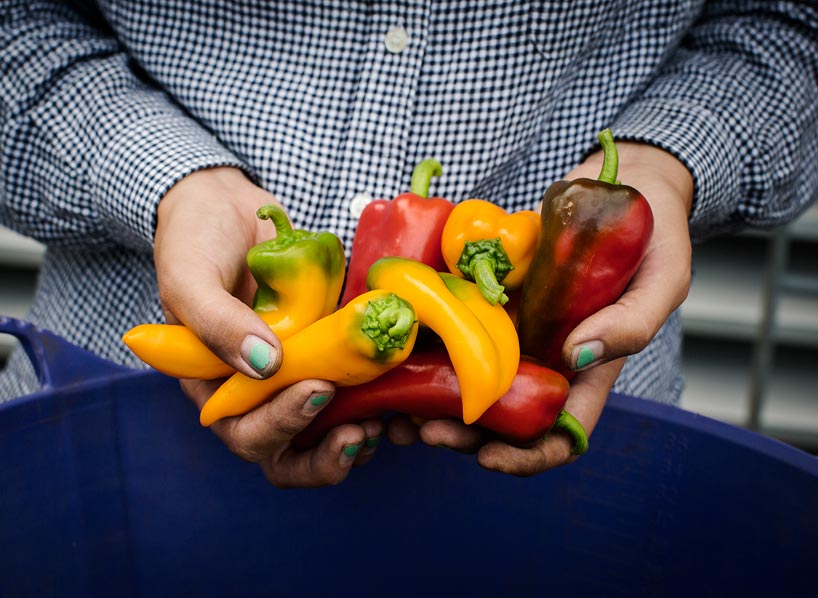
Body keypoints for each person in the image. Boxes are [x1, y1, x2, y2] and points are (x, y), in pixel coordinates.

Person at [1, 1, 817, 487]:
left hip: (582, 410)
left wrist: (672, 164)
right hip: (117, 395)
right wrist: (169, 180)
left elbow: (792, 23)